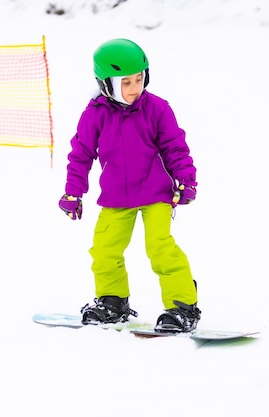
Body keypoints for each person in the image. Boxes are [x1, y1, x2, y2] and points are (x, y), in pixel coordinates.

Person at [58, 38, 201, 333]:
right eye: (126, 82)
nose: (135, 87)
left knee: (160, 248)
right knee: (104, 250)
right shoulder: (94, 114)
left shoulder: (157, 109)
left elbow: (175, 146)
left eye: (139, 79)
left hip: (156, 194)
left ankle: (182, 306)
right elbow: (81, 154)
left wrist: (185, 179)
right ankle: (113, 303)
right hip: (116, 197)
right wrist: (73, 191)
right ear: (106, 84)